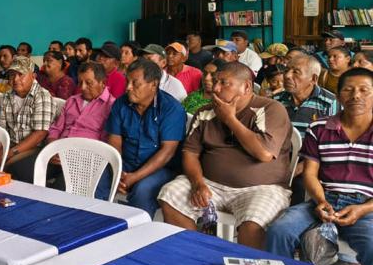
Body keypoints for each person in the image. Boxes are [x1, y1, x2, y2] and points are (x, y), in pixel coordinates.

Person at [159, 62, 293, 249]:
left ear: (246, 87)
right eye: (215, 82)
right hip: (210, 184)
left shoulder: (270, 109)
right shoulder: (205, 112)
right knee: (170, 194)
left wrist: (230, 119)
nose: (215, 88)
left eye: (224, 83)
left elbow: (263, 153)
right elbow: (190, 153)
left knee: (253, 223)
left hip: (263, 188)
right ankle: (193, 255)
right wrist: (198, 184)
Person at [266, 68, 373, 265]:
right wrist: (321, 200)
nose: (356, 96)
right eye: (349, 90)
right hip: (323, 200)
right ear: (338, 95)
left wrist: (362, 209)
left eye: (365, 90)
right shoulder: (320, 127)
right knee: (280, 231)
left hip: (367, 207)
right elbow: (310, 174)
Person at [106, 59, 186, 217]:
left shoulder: (171, 109)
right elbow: (115, 141)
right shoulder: (121, 104)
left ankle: (137, 235)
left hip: (160, 168)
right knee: (96, 179)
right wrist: (119, 172)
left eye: (135, 83)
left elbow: (167, 152)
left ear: (153, 84)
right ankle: (97, 228)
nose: (128, 88)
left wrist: (134, 177)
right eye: (127, 82)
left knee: (142, 190)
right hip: (126, 164)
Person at [274, 54, 337, 205]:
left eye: (296, 72)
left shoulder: (329, 103)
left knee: (300, 187)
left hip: (311, 163)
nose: (287, 76)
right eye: (287, 70)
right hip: (278, 160)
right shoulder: (276, 101)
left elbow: (330, 146)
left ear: (313, 79)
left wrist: (297, 168)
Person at [0, 57, 53, 182]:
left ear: (33, 76)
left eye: (21, 75)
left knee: (12, 166)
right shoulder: (6, 97)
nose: (15, 79)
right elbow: (1, 128)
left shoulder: (42, 95)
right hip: (12, 144)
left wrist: (8, 154)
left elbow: (40, 134)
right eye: (12, 75)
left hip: (35, 147)